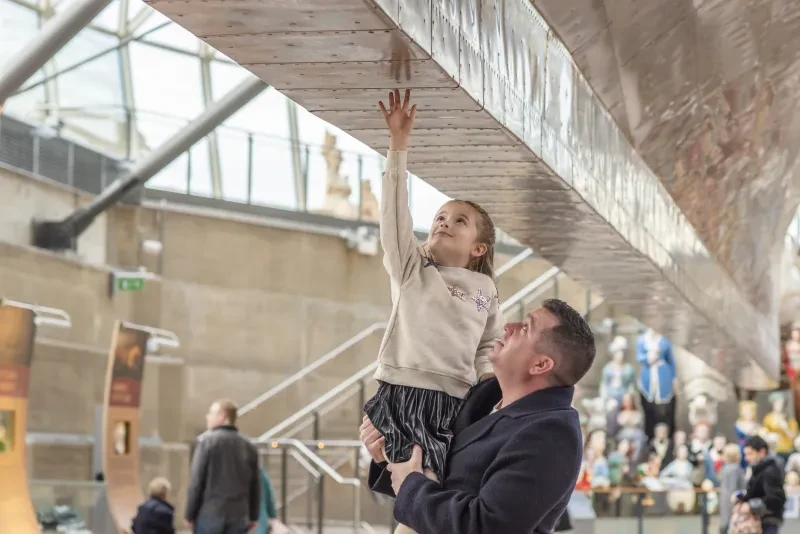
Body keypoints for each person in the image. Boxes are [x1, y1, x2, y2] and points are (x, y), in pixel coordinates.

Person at [363, 90, 503, 500]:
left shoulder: (486, 289)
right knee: (415, 491)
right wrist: (398, 146)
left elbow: (488, 344)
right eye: (440, 216)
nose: (445, 222)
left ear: (478, 248)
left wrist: (492, 384)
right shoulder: (412, 269)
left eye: (460, 221)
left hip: (458, 400)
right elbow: (393, 218)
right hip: (404, 392)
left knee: (440, 496)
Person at [361, 299, 594, 533]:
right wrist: (389, 456)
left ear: (541, 364)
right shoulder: (483, 397)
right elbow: (442, 482)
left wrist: (410, 486)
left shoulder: (553, 434)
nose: (508, 327)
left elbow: (488, 526)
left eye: (525, 328)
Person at [185, 399, 260, 534]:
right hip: (239, 515)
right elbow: (255, 485)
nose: (207, 417)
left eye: (211, 413)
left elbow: (197, 481)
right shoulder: (249, 446)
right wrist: (254, 516)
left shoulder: (206, 443)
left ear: (222, 416)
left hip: (210, 514)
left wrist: (189, 514)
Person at [735, 435, 786, 534]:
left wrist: (751, 506)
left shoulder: (770, 470)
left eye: (750, 454)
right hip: (759, 520)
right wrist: (742, 497)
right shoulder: (759, 469)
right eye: (745, 454)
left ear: (762, 452)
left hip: (768, 521)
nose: (747, 458)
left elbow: (776, 499)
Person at [719, 444, 746, 534]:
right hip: (732, 504)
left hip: (725, 502)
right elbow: (733, 489)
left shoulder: (726, 468)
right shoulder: (734, 469)